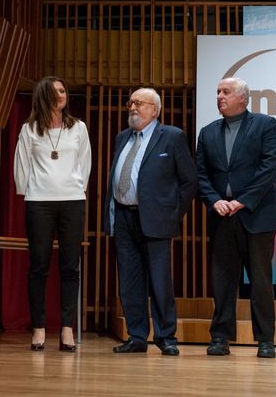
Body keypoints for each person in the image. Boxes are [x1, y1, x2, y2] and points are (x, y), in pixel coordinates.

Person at [195, 77, 276, 359]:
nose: (219, 96)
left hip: (257, 214)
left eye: (226, 92)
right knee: (222, 280)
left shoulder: (265, 124)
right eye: (218, 92)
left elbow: (269, 167)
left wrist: (242, 201)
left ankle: (265, 340)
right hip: (222, 216)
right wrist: (215, 200)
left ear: (243, 98)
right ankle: (220, 338)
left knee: (260, 280)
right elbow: (201, 174)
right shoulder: (207, 132)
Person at [105, 87, 198, 355]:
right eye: (130, 103)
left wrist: (173, 214)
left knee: (159, 281)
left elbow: (189, 181)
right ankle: (136, 336)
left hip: (157, 220)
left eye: (139, 103)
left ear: (155, 110)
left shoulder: (172, 136)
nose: (133, 107)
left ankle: (166, 337)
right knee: (129, 281)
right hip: (124, 217)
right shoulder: (122, 137)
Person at [14, 76, 91, 352]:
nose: (61, 95)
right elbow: (22, 165)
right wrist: (28, 191)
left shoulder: (78, 127)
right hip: (39, 202)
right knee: (39, 267)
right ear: (43, 96)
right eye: (55, 91)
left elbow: (84, 163)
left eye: (63, 90)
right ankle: (39, 328)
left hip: (72, 201)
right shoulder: (29, 129)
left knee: (70, 267)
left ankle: (67, 328)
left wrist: (77, 188)